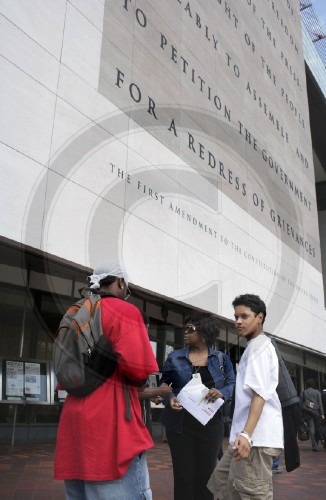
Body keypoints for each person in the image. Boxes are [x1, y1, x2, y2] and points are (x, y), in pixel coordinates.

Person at [54, 261, 159, 499]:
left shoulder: (74, 312)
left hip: (74, 427)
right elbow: (139, 373)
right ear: (121, 282)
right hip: (111, 428)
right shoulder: (125, 311)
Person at [208, 294, 283, 500]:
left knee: (249, 493)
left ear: (260, 318)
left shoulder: (258, 348)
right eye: (236, 317)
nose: (238, 322)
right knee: (221, 486)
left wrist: (247, 436)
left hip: (254, 441)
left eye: (244, 316)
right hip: (246, 438)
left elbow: (260, 395)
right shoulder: (255, 346)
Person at [159, 311, 235, 500]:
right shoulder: (174, 357)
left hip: (210, 425)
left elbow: (232, 385)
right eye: (185, 328)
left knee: (207, 476)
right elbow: (163, 385)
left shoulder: (221, 359)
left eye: (190, 328)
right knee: (184, 476)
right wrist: (170, 399)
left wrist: (221, 393)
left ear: (204, 331)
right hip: (180, 426)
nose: (185, 332)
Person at [301, 378, 325, 451]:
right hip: (316, 412)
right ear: (313, 385)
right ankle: (318, 443)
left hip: (308, 412)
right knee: (317, 428)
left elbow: (302, 403)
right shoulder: (317, 392)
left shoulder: (304, 392)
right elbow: (320, 403)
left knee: (312, 428)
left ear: (306, 385)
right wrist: (322, 413)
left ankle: (314, 445)